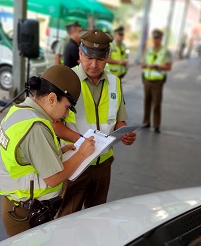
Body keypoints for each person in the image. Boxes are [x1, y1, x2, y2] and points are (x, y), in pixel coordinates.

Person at [0, 65, 95, 237]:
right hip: (26, 213)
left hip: (17, 205)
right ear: (52, 98)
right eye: (67, 107)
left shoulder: (21, 111)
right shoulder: (36, 127)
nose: (66, 114)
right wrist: (82, 154)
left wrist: (58, 152)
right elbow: (53, 178)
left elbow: (24, 156)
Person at [52, 29, 137, 217]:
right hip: (75, 162)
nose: (93, 64)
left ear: (107, 57)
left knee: (97, 217)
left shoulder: (115, 83)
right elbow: (53, 124)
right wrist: (83, 141)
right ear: (80, 53)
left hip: (103, 165)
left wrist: (125, 133)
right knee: (67, 217)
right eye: (89, 57)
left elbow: (118, 120)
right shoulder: (66, 80)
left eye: (99, 59)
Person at [140, 28, 172, 133]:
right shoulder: (148, 50)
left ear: (161, 39)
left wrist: (157, 66)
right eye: (154, 38)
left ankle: (156, 125)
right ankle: (146, 122)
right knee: (147, 102)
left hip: (157, 82)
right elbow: (142, 63)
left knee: (157, 103)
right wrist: (144, 65)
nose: (155, 40)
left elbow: (168, 67)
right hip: (147, 80)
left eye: (157, 38)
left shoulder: (166, 52)